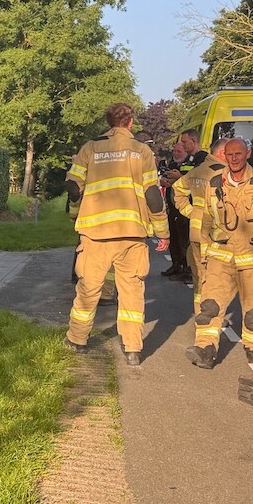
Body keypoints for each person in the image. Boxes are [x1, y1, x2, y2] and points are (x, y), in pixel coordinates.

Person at [64, 103, 170, 367]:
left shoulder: (90, 148)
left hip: (95, 234)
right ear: (131, 122)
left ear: (108, 122)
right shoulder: (142, 151)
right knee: (132, 293)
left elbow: (74, 187)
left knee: (88, 289)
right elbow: (153, 196)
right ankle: (133, 349)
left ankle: (77, 340)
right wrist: (162, 231)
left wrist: (75, 215)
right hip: (131, 235)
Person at [187, 138, 253, 369]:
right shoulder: (215, 183)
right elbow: (207, 219)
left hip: (251, 258)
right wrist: (206, 253)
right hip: (221, 257)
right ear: (224, 156)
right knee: (209, 307)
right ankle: (205, 350)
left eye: (239, 153)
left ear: (248, 154)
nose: (235, 158)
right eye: (230, 155)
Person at [172, 137, 230, 308]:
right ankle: (212, 317)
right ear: (222, 153)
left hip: (196, 232)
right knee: (216, 279)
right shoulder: (223, 173)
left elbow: (177, 190)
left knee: (199, 278)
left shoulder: (198, 171)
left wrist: (191, 213)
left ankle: (201, 314)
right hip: (215, 234)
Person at [161, 141, 191, 279]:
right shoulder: (172, 164)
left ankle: (186, 268)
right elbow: (165, 177)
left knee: (184, 240)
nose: (175, 154)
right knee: (173, 237)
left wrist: (180, 178)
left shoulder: (190, 166)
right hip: (172, 207)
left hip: (185, 208)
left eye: (179, 152)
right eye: (174, 151)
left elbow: (193, 182)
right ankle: (175, 264)